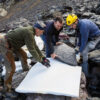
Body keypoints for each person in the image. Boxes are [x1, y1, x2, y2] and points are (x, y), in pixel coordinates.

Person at [0, 22, 50, 92]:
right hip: (4, 44)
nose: (42, 33)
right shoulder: (29, 33)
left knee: (23, 55)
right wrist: (41, 61)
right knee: (11, 68)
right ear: (37, 29)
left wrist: (43, 57)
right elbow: (31, 49)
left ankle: (26, 71)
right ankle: (7, 89)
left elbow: (35, 46)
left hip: (13, 44)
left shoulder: (31, 31)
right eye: (42, 31)